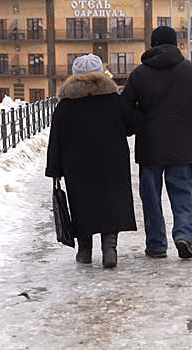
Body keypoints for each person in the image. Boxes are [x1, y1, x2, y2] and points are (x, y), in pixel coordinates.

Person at [121, 26, 192, 260]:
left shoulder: (139, 74)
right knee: (183, 193)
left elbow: (124, 109)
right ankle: (184, 235)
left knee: (151, 198)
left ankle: (156, 244)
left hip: (149, 148)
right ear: (176, 44)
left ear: (153, 44)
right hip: (181, 147)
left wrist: (134, 126)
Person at [45, 54, 140, 268]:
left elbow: (56, 139)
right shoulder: (113, 101)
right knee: (110, 202)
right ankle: (110, 250)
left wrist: (54, 168)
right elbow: (132, 124)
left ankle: (84, 251)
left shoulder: (66, 106)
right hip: (111, 161)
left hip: (77, 165)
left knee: (82, 203)